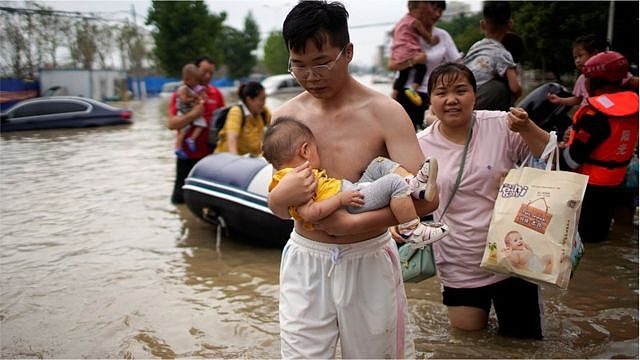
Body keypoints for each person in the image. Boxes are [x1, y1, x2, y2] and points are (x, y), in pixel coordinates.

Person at [269, 1, 439, 358]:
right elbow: (283, 210)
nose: (310, 76)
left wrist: (351, 226)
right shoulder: (286, 118)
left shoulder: (384, 113)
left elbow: (425, 198)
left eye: (321, 63)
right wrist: (279, 198)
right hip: (306, 258)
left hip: (368, 257)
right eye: (298, 65)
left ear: (347, 52)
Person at [410, 62, 551, 339]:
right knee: (469, 343)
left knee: (523, 343)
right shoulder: (420, 145)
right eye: (441, 93)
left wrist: (527, 127)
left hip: (514, 256)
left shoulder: (501, 125)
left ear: (475, 95)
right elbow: (408, 197)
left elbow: (547, 155)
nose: (451, 100)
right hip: (458, 259)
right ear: (431, 100)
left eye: (461, 90)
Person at [263, 116, 444, 246]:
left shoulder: (287, 176)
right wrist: (341, 200)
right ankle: (411, 229)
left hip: (350, 191)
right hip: (350, 202)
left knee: (378, 164)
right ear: (305, 150)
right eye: (316, 149)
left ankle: (414, 185)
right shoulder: (299, 178)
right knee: (393, 183)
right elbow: (310, 213)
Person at [559, 51, 639, 243]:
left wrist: (556, 149)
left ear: (592, 82)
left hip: (589, 188)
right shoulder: (632, 108)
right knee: (600, 238)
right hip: (614, 183)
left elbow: (571, 160)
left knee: (582, 243)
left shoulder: (594, 115)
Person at [389, 1, 461, 131]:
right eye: (434, 9)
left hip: (434, 95)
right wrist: (414, 61)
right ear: (424, 8)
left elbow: (458, 65)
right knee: (408, 136)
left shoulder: (442, 36)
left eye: (440, 11)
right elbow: (393, 66)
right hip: (407, 94)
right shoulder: (406, 33)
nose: (437, 14)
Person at [167, 56, 225, 204]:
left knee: (206, 201)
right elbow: (172, 124)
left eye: (211, 73)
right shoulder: (181, 94)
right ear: (195, 71)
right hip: (186, 155)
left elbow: (223, 123)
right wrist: (193, 114)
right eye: (204, 71)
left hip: (209, 157)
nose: (208, 76)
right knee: (180, 199)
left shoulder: (216, 94)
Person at [548, 34, 638, 108]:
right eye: (575, 57)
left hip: (610, 119)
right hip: (587, 119)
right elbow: (578, 99)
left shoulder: (613, 71)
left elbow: (634, 82)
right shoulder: (581, 78)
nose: (577, 61)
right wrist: (560, 100)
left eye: (580, 55)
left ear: (595, 54)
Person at [464, 1, 521, 111]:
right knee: (503, 87)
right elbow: (514, 87)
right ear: (510, 24)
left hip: (464, 95)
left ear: (482, 24)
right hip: (479, 101)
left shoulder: (475, 47)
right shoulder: (503, 54)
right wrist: (519, 92)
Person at [390, 1, 440, 106]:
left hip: (399, 51)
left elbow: (392, 33)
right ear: (411, 9)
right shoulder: (415, 22)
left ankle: (394, 94)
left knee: (403, 74)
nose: (422, 17)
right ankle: (414, 89)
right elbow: (426, 37)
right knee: (422, 68)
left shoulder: (400, 22)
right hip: (410, 50)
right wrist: (433, 40)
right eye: (421, 14)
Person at [214, 81, 271, 156]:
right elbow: (232, 139)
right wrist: (235, 160)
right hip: (228, 160)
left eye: (264, 99)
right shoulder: (236, 112)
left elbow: (275, 127)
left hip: (253, 159)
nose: (264, 103)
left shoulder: (262, 111)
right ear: (249, 99)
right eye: (261, 99)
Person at [174, 64, 207, 159]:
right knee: (184, 131)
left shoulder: (192, 89)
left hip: (187, 111)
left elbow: (198, 96)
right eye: (195, 80)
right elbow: (184, 100)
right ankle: (179, 147)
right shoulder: (182, 89)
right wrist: (193, 99)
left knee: (199, 125)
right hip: (183, 112)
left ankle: (190, 139)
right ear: (187, 80)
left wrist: (199, 98)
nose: (197, 82)